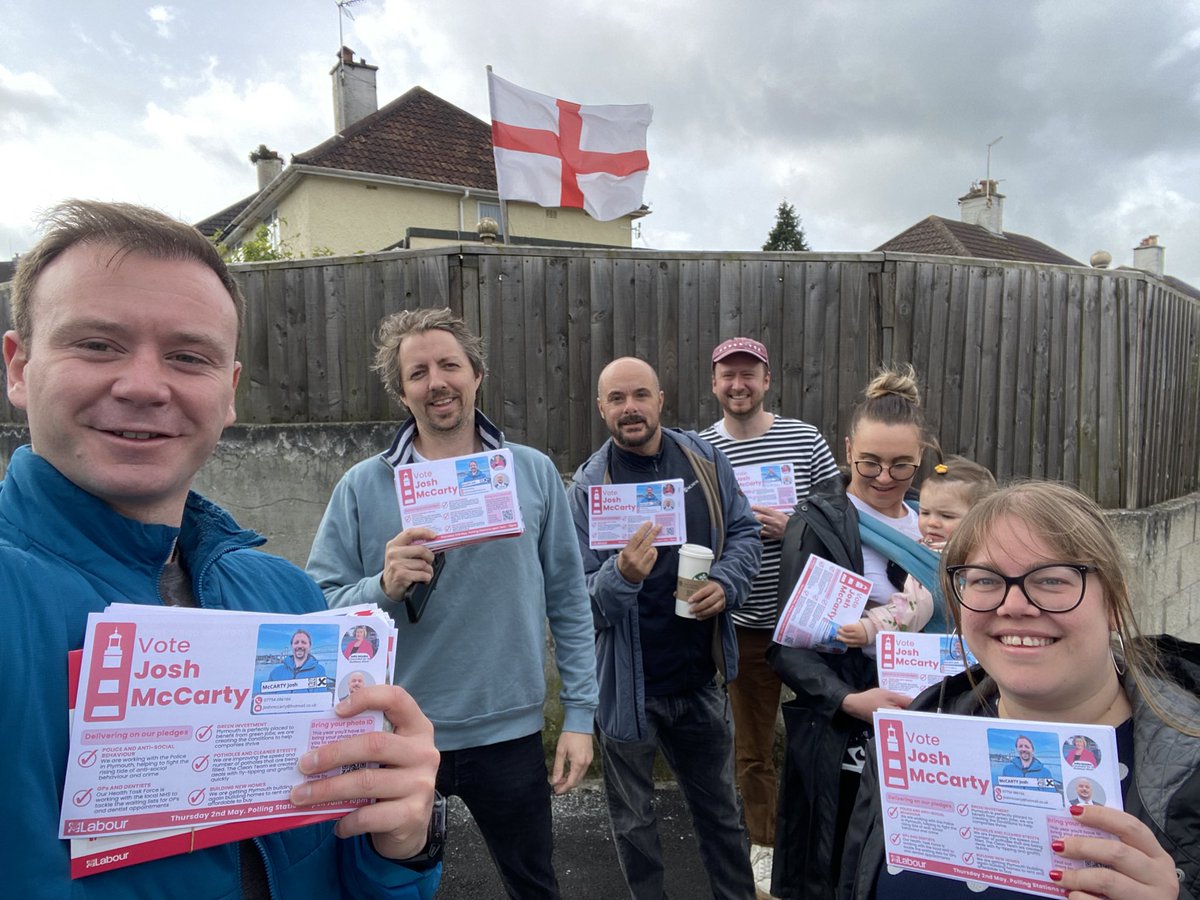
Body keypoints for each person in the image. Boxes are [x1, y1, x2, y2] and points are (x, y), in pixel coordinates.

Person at [0, 200, 441, 898]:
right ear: (19, 367)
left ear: (228, 392)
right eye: (96, 344)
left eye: (188, 356)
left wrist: (401, 845)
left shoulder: (289, 605)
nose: (144, 385)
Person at [307, 307, 598, 900]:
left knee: (534, 886)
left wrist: (579, 715)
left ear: (476, 376)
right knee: (387, 889)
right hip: (397, 734)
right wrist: (379, 588)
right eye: (418, 372)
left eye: (449, 365)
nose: (436, 381)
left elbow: (569, 599)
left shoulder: (533, 472)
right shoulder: (363, 487)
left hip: (508, 730)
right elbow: (317, 609)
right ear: (402, 392)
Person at [840, 481, 1200, 899]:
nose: (1013, 605)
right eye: (986, 580)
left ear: (1114, 603)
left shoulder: (1189, 770)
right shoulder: (911, 740)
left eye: (1050, 580)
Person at [569, 356, 761, 900]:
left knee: (723, 817)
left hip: (700, 680)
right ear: (602, 409)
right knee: (634, 826)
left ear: (661, 399)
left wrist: (726, 582)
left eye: (640, 395)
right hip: (629, 691)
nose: (630, 408)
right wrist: (620, 576)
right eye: (616, 399)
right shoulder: (587, 488)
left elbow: (745, 531)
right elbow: (578, 602)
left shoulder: (703, 460)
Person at [767, 365, 932, 900]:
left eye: (901, 464)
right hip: (844, 726)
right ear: (846, 449)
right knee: (835, 862)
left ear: (922, 458)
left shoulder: (937, 527)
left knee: (904, 863)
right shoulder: (819, 522)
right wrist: (850, 699)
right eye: (869, 463)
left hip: (925, 715)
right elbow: (787, 648)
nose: (884, 477)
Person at [698, 336, 840, 899]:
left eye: (748, 375)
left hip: (808, 621)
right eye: (728, 376)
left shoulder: (805, 439)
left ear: (766, 379)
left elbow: (841, 518)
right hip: (742, 627)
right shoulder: (701, 449)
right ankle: (764, 850)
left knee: (826, 736)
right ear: (714, 384)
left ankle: (828, 842)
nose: (738, 385)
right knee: (752, 749)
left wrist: (795, 532)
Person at [836, 456, 996, 648]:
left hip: (943, 651)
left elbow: (915, 605)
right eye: (925, 513)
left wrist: (871, 627)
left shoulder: (933, 559)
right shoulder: (994, 550)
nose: (932, 522)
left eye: (946, 516)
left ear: (980, 518)